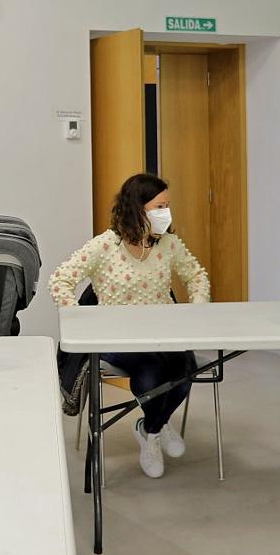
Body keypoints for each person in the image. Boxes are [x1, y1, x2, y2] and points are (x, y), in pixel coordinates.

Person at [50, 173, 210, 478]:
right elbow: (61, 278)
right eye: (159, 206)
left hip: (164, 333)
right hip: (117, 337)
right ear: (137, 208)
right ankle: (156, 429)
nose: (166, 212)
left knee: (184, 372)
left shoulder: (169, 244)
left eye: (168, 205)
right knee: (150, 375)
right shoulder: (105, 246)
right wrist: (78, 319)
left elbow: (197, 276)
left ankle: (150, 429)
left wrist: (196, 311)